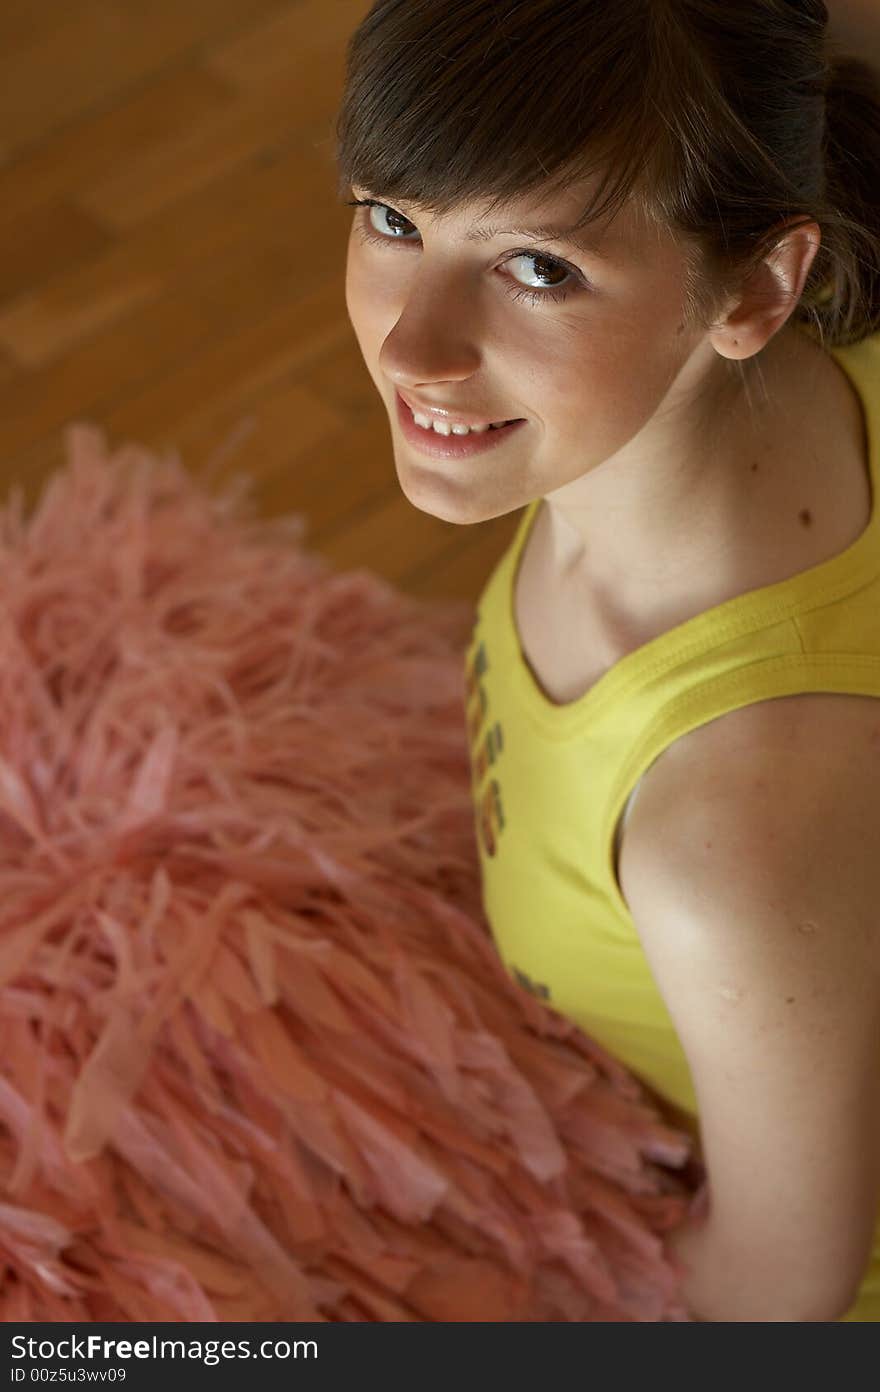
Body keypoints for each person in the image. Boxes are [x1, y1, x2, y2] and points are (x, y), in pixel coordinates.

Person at [335, 0, 880, 1321]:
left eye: (538, 268)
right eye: (393, 218)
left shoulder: (725, 847)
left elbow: (777, 1295)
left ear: (757, 287)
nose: (413, 346)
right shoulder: (665, 407)